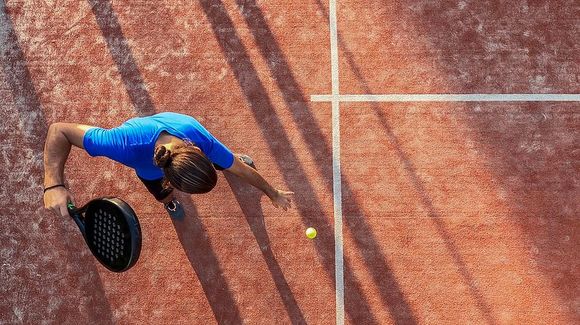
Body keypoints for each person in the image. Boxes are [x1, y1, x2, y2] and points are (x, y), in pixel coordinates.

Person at [43, 112, 294, 219]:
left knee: (232, 162)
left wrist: (273, 193)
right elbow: (59, 131)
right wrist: (52, 184)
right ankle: (170, 200)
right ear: (169, 178)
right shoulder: (121, 144)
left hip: (191, 142)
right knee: (162, 197)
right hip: (145, 157)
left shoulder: (198, 137)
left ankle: (224, 160)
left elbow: (240, 169)